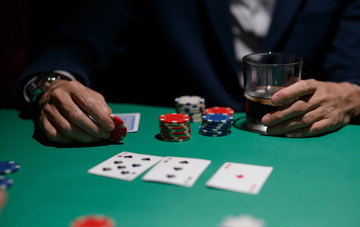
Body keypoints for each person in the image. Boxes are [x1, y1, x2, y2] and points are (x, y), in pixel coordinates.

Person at [12, 0, 360, 144]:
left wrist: (352, 94)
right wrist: (52, 84)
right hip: (183, 142)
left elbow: (353, 70)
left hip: (295, 139)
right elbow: (80, 42)